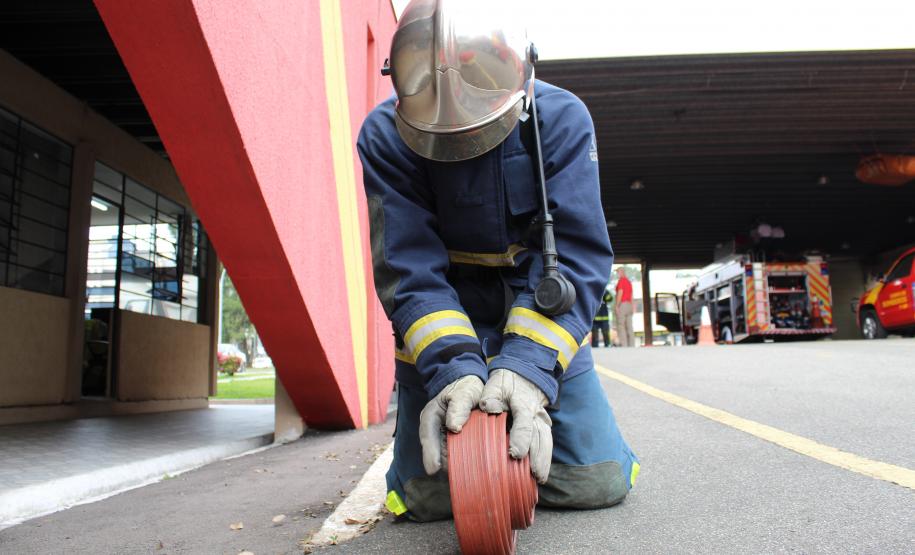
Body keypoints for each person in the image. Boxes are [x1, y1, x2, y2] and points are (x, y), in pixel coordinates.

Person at [357, 0, 638, 522]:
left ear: (523, 72)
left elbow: (577, 254)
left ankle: (531, 406)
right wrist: (451, 371)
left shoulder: (561, 119)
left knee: (593, 482)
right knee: (429, 499)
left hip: (539, 310)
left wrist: (529, 370)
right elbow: (408, 270)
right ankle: (469, 403)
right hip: (447, 314)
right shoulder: (385, 136)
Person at [614, 267, 635, 347]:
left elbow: (620, 292)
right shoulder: (629, 282)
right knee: (629, 325)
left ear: (622, 272)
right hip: (629, 305)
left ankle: (624, 345)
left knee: (621, 325)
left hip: (622, 304)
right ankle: (632, 345)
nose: (617, 274)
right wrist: (633, 307)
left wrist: (617, 305)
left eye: (618, 272)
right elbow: (632, 295)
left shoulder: (621, 281)